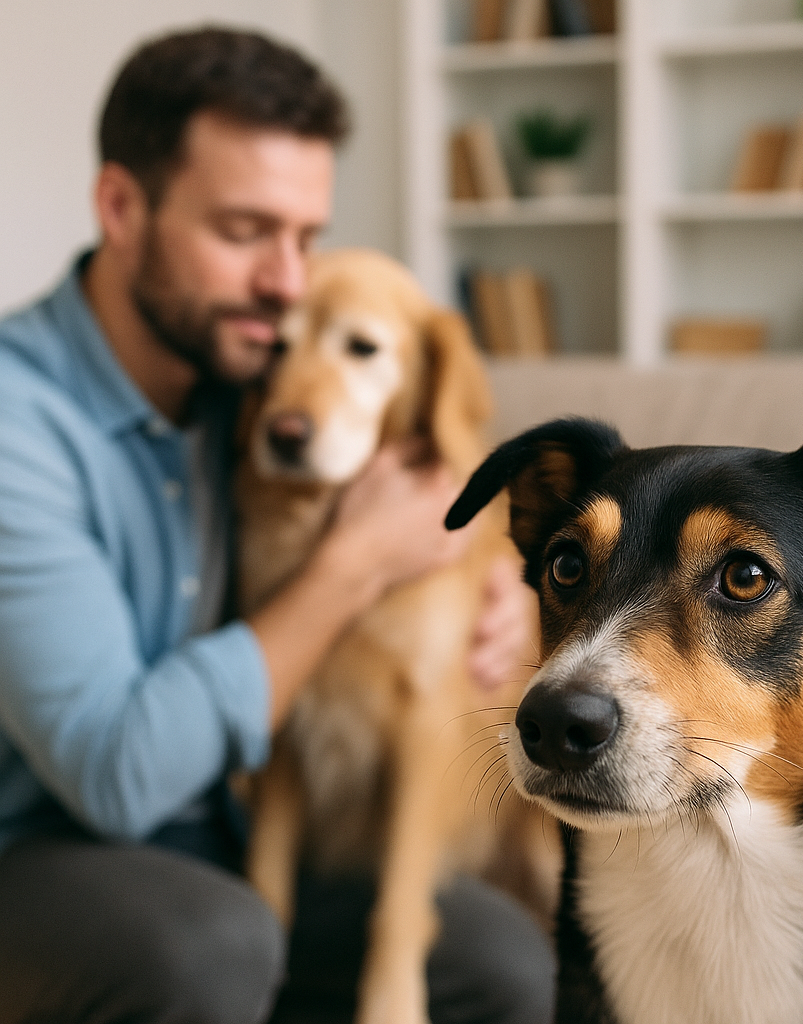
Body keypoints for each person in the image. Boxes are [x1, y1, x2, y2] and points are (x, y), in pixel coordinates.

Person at [0, 26, 553, 1024]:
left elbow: (444, 449)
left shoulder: (252, 383)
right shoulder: (16, 424)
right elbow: (115, 775)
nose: (285, 282)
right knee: (208, 948)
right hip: (36, 845)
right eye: (244, 231)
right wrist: (350, 566)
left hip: (222, 828)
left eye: (302, 236)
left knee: (500, 958)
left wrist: (500, 582)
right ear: (121, 208)